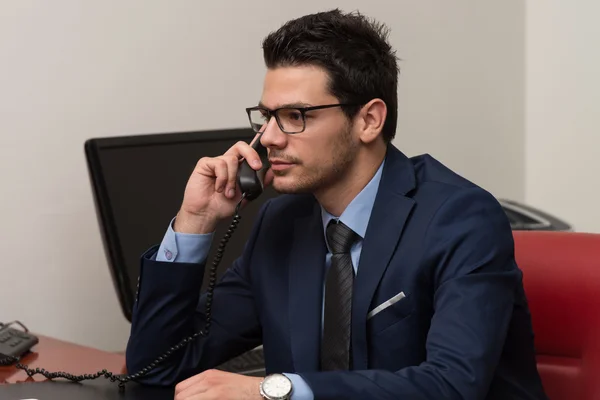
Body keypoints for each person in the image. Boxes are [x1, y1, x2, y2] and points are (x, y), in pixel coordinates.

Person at [125, 9, 548, 400]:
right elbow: (156, 368)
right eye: (267, 116)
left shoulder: (460, 219)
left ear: (368, 120)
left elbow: (451, 385)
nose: (269, 137)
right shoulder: (282, 221)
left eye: (295, 115)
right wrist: (194, 221)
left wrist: (272, 391)